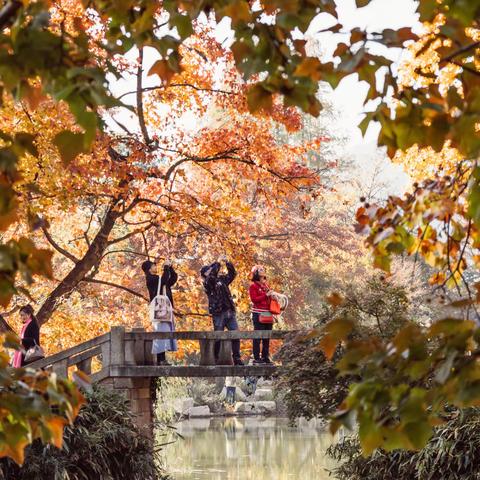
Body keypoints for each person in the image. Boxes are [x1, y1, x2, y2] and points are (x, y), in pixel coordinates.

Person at [200, 255, 243, 365]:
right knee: (218, 336)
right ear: (205, 274)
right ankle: (216, 358)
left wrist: (228, 263)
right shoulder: (207, 283)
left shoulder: (222, 280)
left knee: (235, 334)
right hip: (218, 313)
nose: (212, 270)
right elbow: (212, 276)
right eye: (209, 270)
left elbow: (232, 274)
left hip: (229, 311)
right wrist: (217, 263)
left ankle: (237, 358)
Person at [142, 259, 178, 366]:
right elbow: (164, 279)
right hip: (159, 309)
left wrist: (170, 268)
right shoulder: (151, 279)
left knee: (166, 332)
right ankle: (160, 360)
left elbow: (172, 279)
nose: (155, 267)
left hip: (165, 308)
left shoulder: (159, 279)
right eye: (153, 265)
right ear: (149, 269)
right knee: (161, 333)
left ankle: (162, 359)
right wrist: (166, 268)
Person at [249, 265, 274, 364]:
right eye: (260, 271)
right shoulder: (253, 286)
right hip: (258, 314)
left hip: (268, 313)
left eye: (263, 270)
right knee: (258, 336)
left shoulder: (266, 286)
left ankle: (265, 357)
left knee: (267, 337)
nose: (263, 272)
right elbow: (254, 299)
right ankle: (256, 357)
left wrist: (272, 296)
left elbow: (269, 299)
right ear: (255, 273)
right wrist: (265, 295)